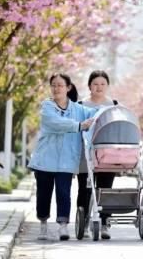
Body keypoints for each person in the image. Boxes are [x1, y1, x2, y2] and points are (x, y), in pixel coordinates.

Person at [28, 73, 95, 241]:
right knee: (44, 195)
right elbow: (55, 123)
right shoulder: (47, 106)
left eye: (60, 85)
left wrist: (108, 105)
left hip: (66, 161)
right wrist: (79, 126)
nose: (56, 88)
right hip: (45, 160)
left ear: (68, 88)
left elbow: (97, 114)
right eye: (54, 85)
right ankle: (43, 225)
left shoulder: (79, 110)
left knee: (64, 194)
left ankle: (63, 226)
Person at [77, 70, 118, 240]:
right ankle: (84, 223)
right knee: (84, 190)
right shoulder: (80, 105)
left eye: (102, 84)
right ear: (89, 86)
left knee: (105, 189)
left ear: (107, 86)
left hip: (107, 154)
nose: (99, 87)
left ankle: (104, 223)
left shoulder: (114, 105)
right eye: (95, 84)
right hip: (85, 155)